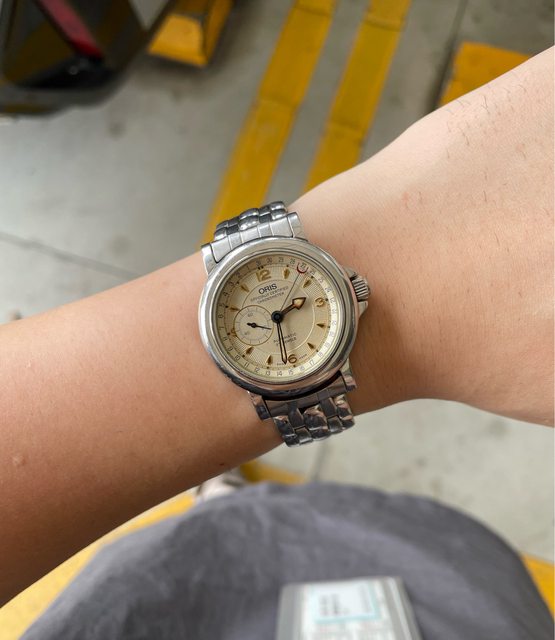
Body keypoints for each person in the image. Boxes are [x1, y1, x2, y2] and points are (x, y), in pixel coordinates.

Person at [0, 47, 553, 638]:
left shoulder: (318, 300)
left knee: (189, 561)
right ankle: (226, 507)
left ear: (354, 293)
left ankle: (221, 509)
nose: (283, 313)